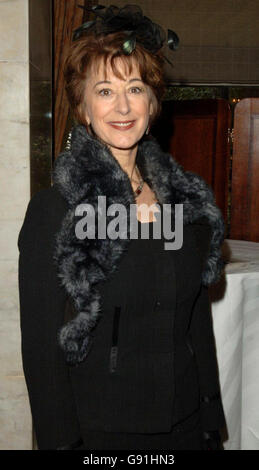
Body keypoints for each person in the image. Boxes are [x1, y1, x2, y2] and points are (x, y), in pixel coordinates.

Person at [18, 4, 226, 450]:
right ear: (84, 107)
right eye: (105, 91)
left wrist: (211, 420)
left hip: (186, 425)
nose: (123, 106)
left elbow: (195, 321)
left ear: (152, 104)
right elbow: (41, 351)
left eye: (135, 88)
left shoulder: (182, 205)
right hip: (102, 434)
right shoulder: (56, 212)